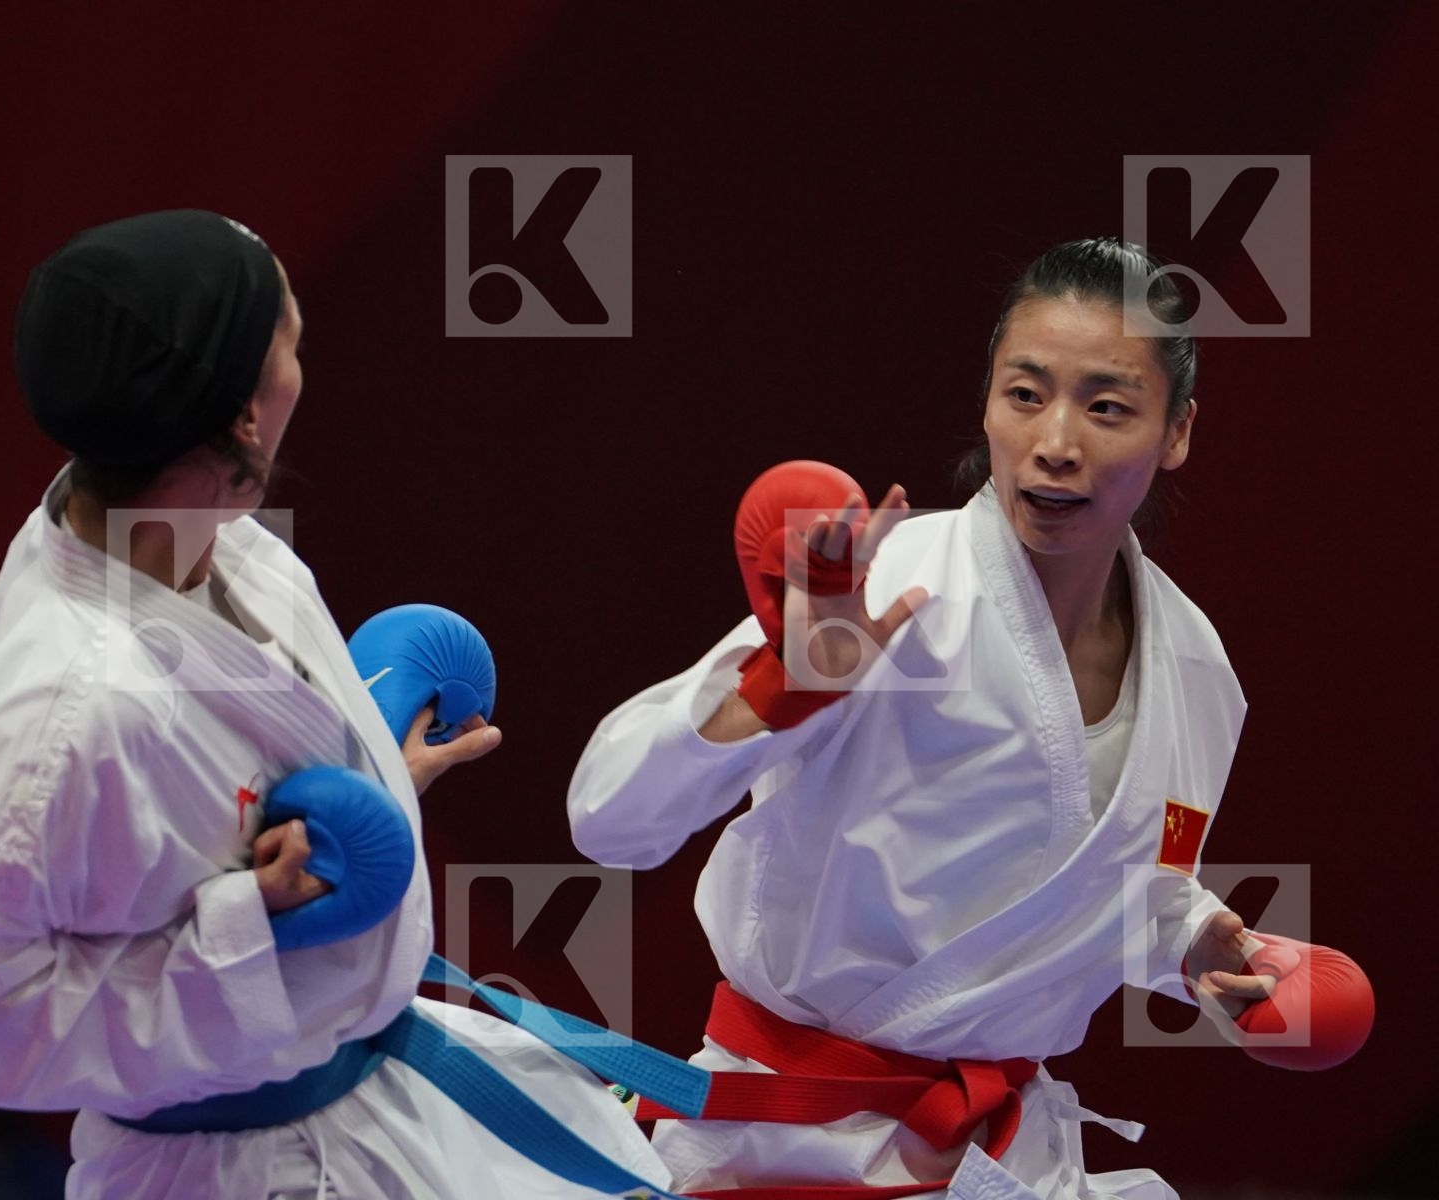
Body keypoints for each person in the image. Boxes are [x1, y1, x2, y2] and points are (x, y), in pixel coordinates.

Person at [0, 209, 668, 1199]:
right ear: (246, 415)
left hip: (372, 1098)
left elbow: (194, 808)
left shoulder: (222, 545)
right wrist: (246, 926)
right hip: (238, 1164)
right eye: (290, 340)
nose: (306, 361)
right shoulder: (66, 710)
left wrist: (370, 773)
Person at [567, 239, 1361, 1198]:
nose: (1056, 441)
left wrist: (1194, 945)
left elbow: (1117, 887)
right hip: (775, 1144)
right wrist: (785, 689)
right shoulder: (884, 592)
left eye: (1107, 407)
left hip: (997, 1155)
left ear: (1177, 430)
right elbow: (607, 819)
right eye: (1025, 395)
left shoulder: (1198, 670)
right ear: (987, 399)